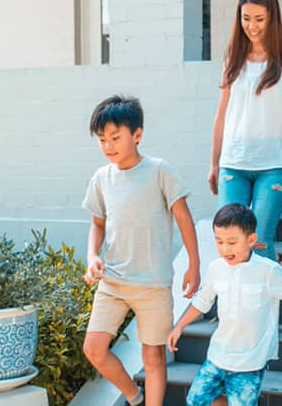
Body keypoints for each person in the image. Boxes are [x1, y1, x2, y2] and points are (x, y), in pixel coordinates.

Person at [81, 95, 202, 406]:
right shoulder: (101, 178)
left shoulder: (160, 171)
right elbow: (97, 223)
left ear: (137, 134)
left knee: (154, 357)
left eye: (115, 137)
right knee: (94, 348)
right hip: (114, 281)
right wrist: (93, 256)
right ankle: (135, 397)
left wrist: (194, 265)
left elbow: (184, 218)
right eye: (102, 139)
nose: (108, 146)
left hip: (152, 284)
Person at [168, 203, 282, 406]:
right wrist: (179, 326)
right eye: (219, 242)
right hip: (217, 356)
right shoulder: (215, 268)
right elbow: (202, 301)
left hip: (249, 362)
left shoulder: (267, 271)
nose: (225, 249)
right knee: (196, 400)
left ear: (251, 240)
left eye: (232, 242)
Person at [209, 0, 282, 261]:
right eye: (246, 18)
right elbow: (221, 114)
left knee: (259, 241)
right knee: (230, 242)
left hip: (274, 163)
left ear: (272, 18)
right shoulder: (232, 59)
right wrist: (214, 163)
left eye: (259, 19)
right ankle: (234, 303)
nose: (252, 26)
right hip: (233, 163)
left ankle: (267, 304)